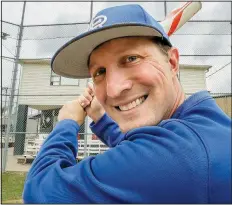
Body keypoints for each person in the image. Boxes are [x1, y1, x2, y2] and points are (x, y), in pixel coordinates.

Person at [23, 4, 231, 203]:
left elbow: (40, 191)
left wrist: (67, 122)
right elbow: (141, 150)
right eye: (100, 72)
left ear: (172, 63)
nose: (114, 89)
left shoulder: (181, 154)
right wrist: (100, 118)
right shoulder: (203, 128)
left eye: (131, 58)